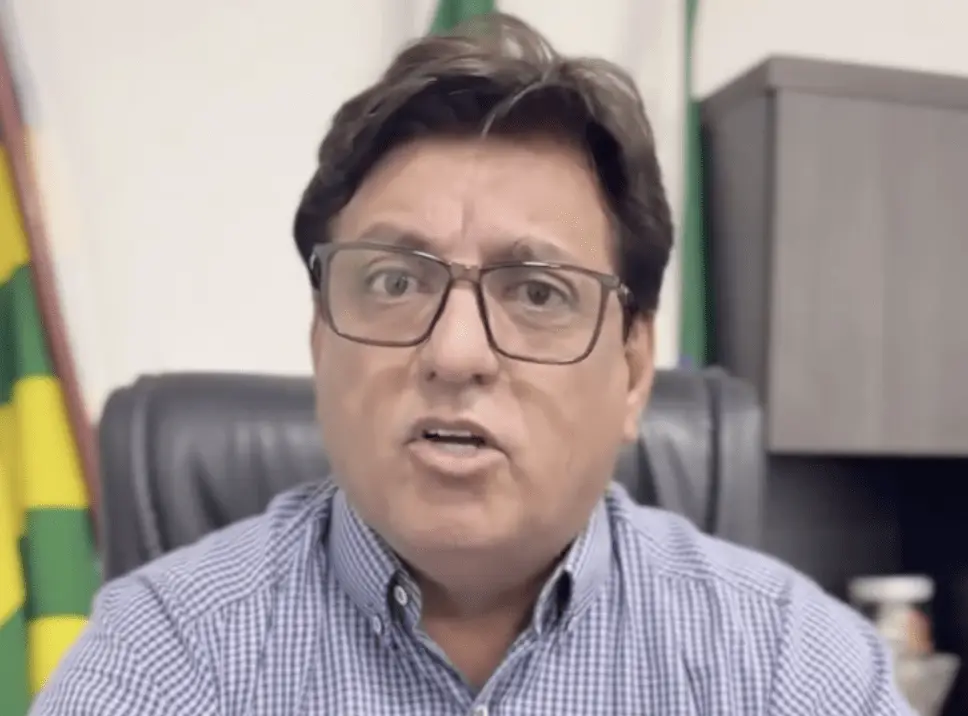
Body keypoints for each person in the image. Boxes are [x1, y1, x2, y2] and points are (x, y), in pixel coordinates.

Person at [32, 13, 913, 716]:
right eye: (393, 281)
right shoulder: (167, 655)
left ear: (634, 370)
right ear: (319, 340)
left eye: (537, 292)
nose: (455, 353)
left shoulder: (788, 663)